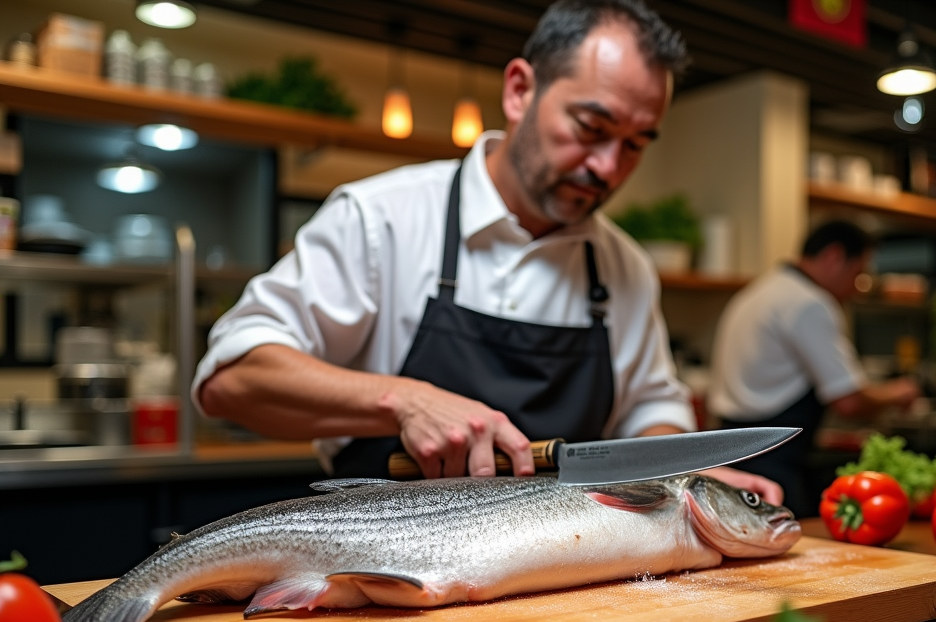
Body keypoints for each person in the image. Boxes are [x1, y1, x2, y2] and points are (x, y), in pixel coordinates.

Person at [193, 0, 780, 503]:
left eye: (635, 145)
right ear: (520, 90)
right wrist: (404, 400)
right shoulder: (382, 218)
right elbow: (232, 379)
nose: (608, 166)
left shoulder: (623, 266)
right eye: (590, 128)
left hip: (559, 569)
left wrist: (679, 468)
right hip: (387, 571)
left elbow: (652, 408)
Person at [707, 220, 921, 516]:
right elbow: (848, 400)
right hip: (774, 462)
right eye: (858, 272)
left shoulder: (759, 292)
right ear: (834, 257)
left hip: (730, 451)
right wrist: (898, 394)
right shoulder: (809, 303)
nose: (856, 287)